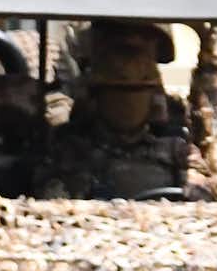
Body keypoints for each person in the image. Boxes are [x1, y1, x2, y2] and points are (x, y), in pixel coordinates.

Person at [40, 40, 187, 200]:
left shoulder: (176, 151)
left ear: (152, 98)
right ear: (97, 98)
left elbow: (203, 193)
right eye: (118, 92)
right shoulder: (67, 150)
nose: (129, 103)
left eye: (138, 92)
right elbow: (49, 198)